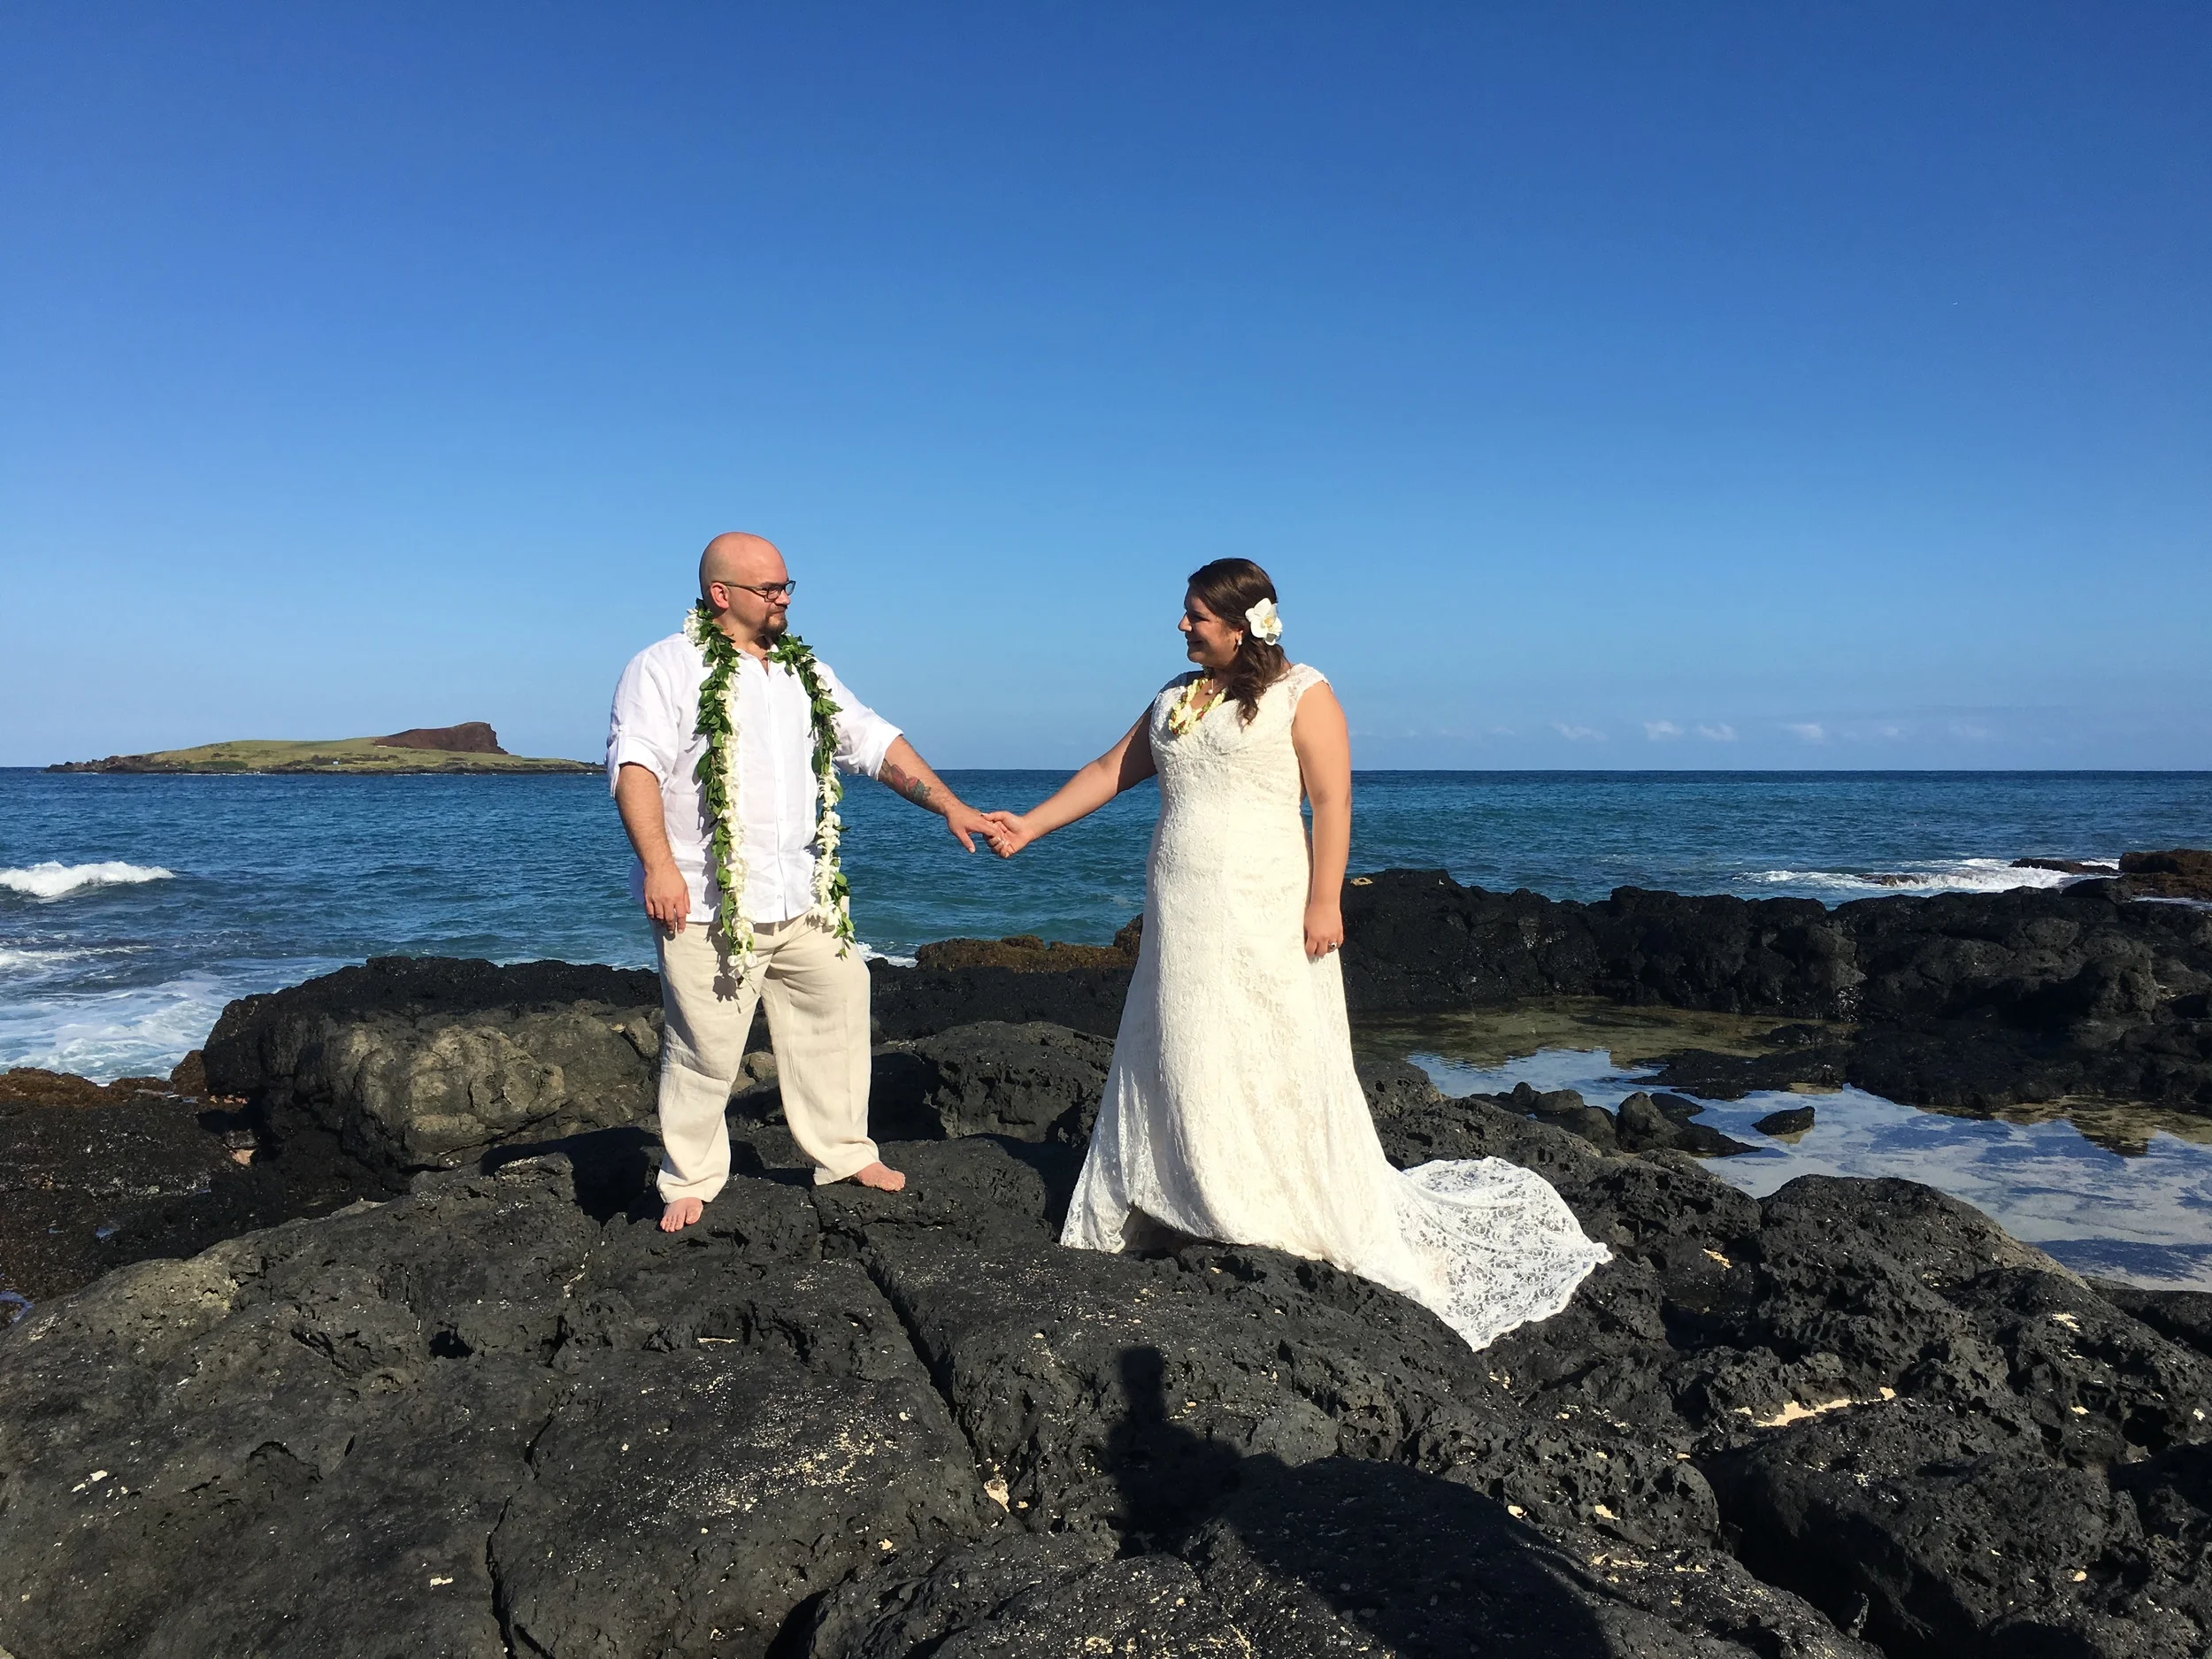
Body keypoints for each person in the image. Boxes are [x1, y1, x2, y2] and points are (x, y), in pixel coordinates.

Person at [983, 558, 1609, 1351]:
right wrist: (1031, 826)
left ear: (1242, 626)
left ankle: (1255, 1204)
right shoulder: (1175, 698)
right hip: (1182, 906)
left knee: (1269, 1046)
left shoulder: (1303, 692)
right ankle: (1180, 1194)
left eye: (1195, 617)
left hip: (1265, 904)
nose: (1181, 627)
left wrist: (1326, 897)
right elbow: (1112, 771)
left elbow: (1333, 798)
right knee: (1182, 1046)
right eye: (1184, 615)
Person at [608, 532, 997, 1233]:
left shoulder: (803, 671)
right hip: (707, 899)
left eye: (789, 585)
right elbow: (634, 766)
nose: (784, 597)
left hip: (805, 897)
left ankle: (844, 1151)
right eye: (771, 588)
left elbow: (873, 742)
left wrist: (950, 804)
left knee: (841, 1001)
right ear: (721, 595)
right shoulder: (663, 667)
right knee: (704, 1044)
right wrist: (660, 866)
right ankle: (690, 1175)